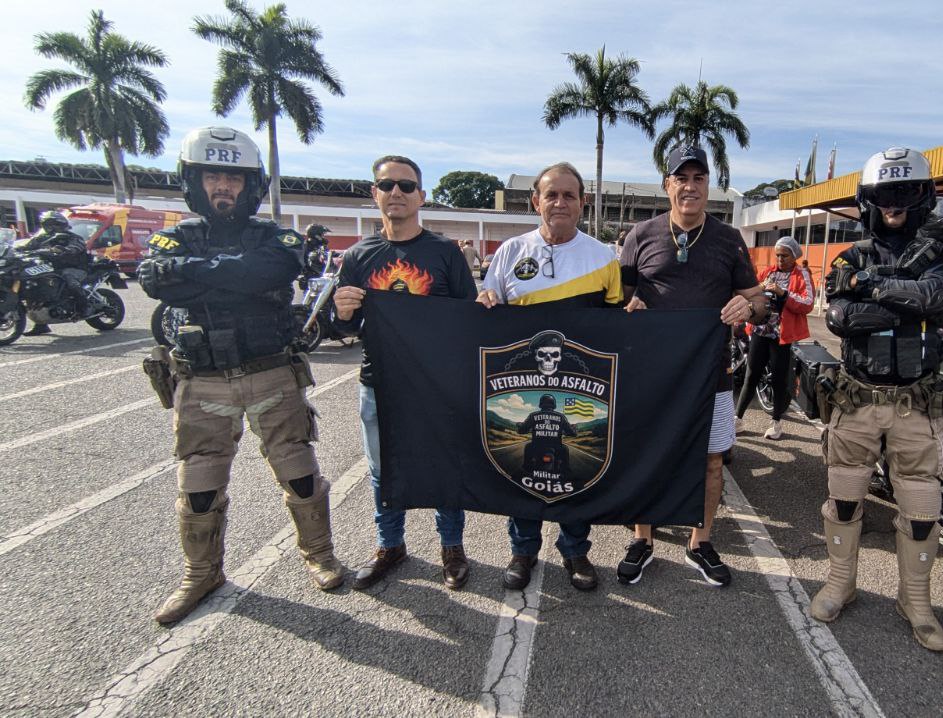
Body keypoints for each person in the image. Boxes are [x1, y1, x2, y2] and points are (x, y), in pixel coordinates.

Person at [137, 126, 343, 625]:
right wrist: (236, 273)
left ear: (251, 184)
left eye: (233, 176)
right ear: (194, 181)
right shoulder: (173, 236)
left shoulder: (278, 237)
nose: (223, 186)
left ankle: (319, 554)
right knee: (200, 483)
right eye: (213, 176)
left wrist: (200, 274)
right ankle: (201, 572)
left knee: (298, 471)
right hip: (202, 379)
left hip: (271, 372)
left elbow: (268, 272)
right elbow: (154, 278)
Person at [810, 147, 943, 652]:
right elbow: (841, 319)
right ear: (867, 201)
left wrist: (874, 290)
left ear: (924, 196)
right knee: (845, 496)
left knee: (923, 505)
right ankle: (840, 583)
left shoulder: (941, 259)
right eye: (883, 195)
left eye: (905, 193)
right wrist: (908, 308)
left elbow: (941, 299)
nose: (894, 205)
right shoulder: (849, 257)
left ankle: (916, 600)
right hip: (856, 399)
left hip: (916, 403)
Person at [615, 145, 767, 587]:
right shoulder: (640, 235)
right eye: (681, 178)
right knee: (646, 457)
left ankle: (700, 542)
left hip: (710, 371)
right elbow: (617, 299)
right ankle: (642, 539)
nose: (690, 186)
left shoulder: (728, 239)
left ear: (707, 187)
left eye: (699, 178)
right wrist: (629, 305)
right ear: (668, 185)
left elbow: (758, 301)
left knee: (712, 461)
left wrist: (748, 306)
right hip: (651, 373)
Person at [331, 155, 478, 591]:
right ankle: (390, 545)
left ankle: (452, 548)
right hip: (379, 384)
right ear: (374, 193)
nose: (396, 192)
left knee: (445, 466)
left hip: (436, 386)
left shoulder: (444, 254)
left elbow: (467, 317)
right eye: (387, 184)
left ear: (421, 196)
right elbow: (344, 327)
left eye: (406, 186)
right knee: (382, 470)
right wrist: (341, 313)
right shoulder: (358, 257)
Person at [476, 161, 624, 592]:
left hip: (579, 390)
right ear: (535, 201)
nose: (560, 202)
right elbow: (489, 317)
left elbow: (616, 331)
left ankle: (575, 550)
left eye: (569, 195)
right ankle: (522, 552)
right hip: (521, 387)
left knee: (576, 480)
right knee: (522, 475)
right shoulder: (509, 252)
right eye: (551, 195)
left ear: (583, 203)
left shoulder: (603, 258)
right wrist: (484, 298)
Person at [734, 235, 815, 440]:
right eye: (778, 256)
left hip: (782, 335)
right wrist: (760, 288)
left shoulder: (802, 274)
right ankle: (737, 419)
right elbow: (752, 292)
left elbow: (807, 303)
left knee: (779, 380)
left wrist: (783, 292)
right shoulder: (769, 272)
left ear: (794, 255)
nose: (780, 260)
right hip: (761, 331)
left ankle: (776, 423)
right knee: (751, 375)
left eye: (785, 256)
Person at [21, 210, 90, 335]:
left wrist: (64, 250)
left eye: (54, 224)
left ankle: (83, 308)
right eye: (48, 224)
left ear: (61, 224)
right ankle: (41, 324)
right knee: (36, 287)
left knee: (70, 281)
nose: (51, 227)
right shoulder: (41, 238)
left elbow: (77, 247)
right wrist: (15, 249)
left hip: (74, 268)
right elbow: (26, 246)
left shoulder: (73, 237)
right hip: (51, 268)